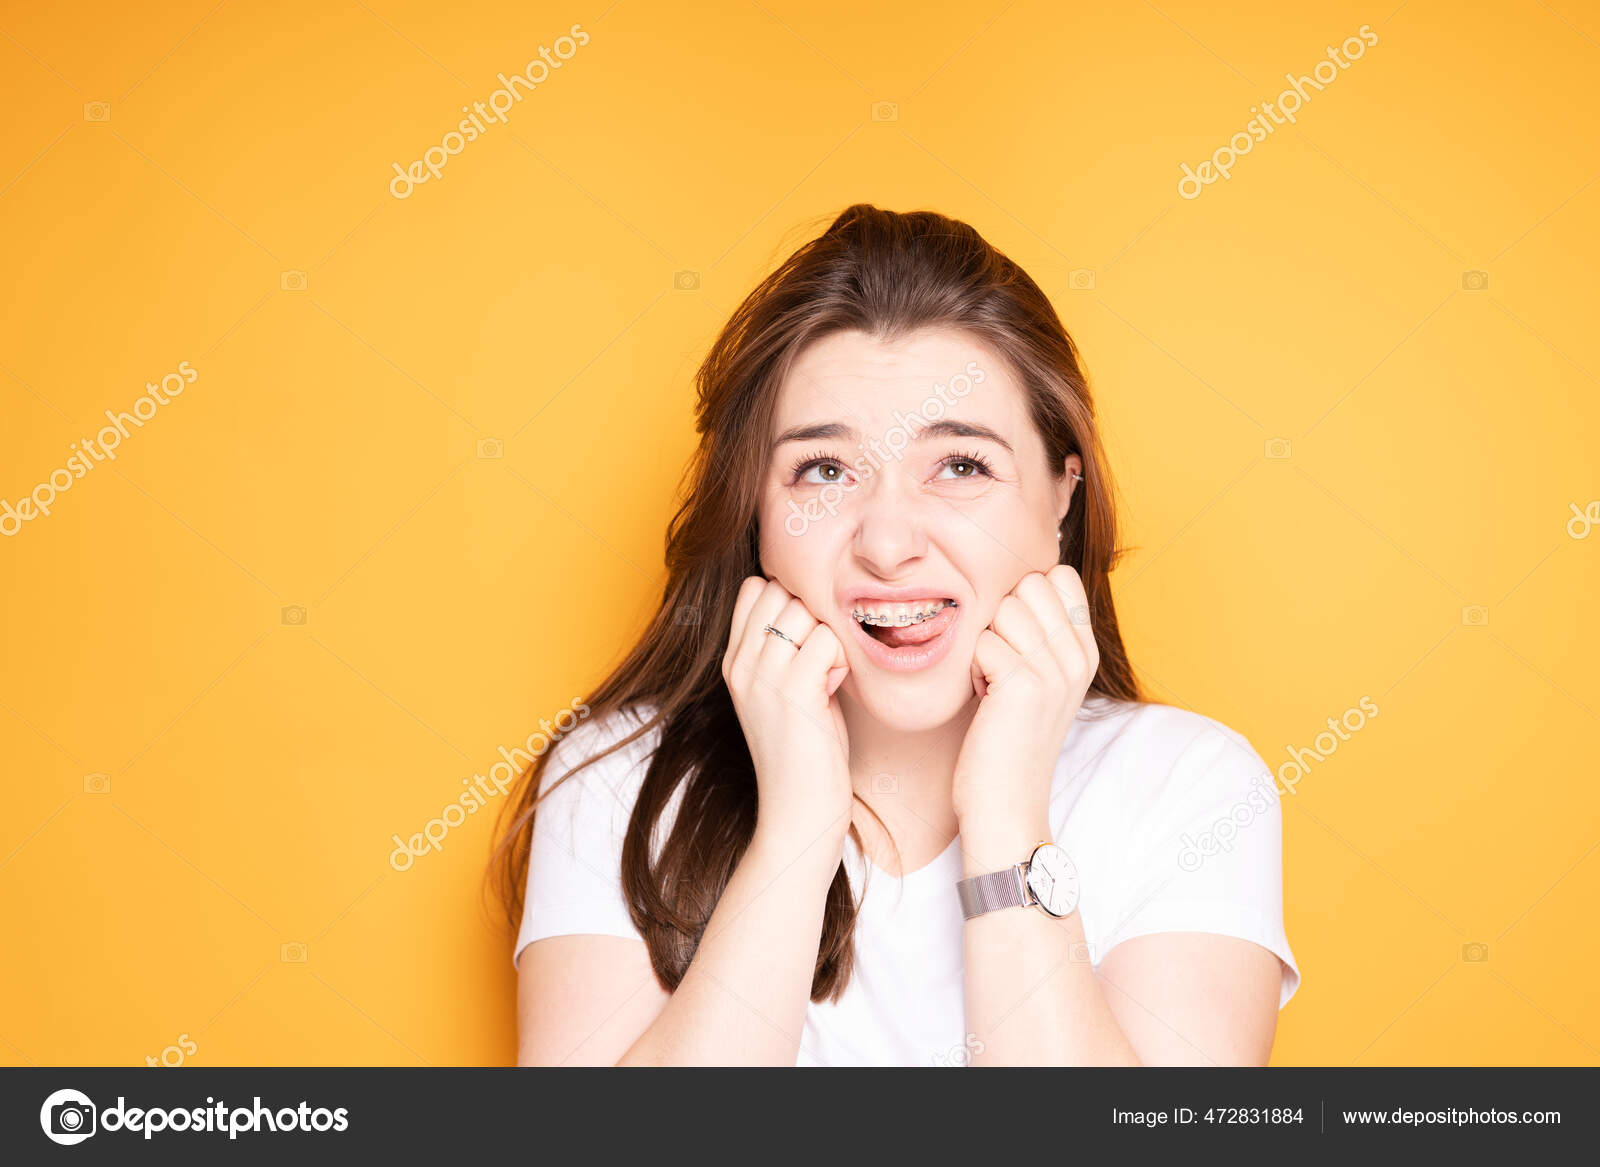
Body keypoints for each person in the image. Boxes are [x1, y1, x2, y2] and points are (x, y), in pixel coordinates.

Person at [493, 204, 1299, 1066]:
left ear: (1062, 495)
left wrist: (1006, 815)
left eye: (961, 465)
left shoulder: (1189, 786)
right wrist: (797, 829)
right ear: (755, 512)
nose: (885, 542)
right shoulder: (620, 782)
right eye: (824, 469)